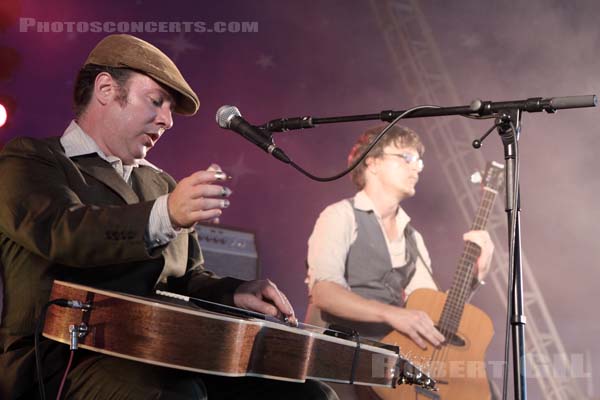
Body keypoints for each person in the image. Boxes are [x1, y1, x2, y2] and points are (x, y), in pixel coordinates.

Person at [0, 34, 337, 400]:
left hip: (154, 354)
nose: (167, 120)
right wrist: (166, 213)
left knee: (310, 395)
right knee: (175, 394)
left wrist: (233, 292)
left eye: (170, 110)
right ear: (106, 89)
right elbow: (66, 233)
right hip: (60, 361)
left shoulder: (159, 183)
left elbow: (185, 279)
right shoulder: (30, 159)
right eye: (156, 101)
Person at [306, 124, 494, 346]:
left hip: (384, 364)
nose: (416, 169)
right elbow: (324, 293)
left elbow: (430, 313)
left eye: (418, 162)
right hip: (334, 357)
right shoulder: (340, 215)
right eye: (406, 157)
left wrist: (473, 278)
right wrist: (391, 314)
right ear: (373, 162)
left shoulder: (413, 238)